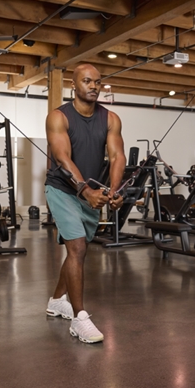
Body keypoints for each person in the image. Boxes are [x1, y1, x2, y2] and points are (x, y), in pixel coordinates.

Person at [44, 63, 126, 343]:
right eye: (87, 81)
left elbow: (116, 156)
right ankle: (80, 319)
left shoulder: (110, 118)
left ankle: (57, 300)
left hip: (91, 191)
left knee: (77, 251)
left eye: (97, 82)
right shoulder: (59, 117)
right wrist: (84, 190)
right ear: (74, 85)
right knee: (77, 247)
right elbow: (62, 157)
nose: (93, 86)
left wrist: (113, 191)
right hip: (62, 189)